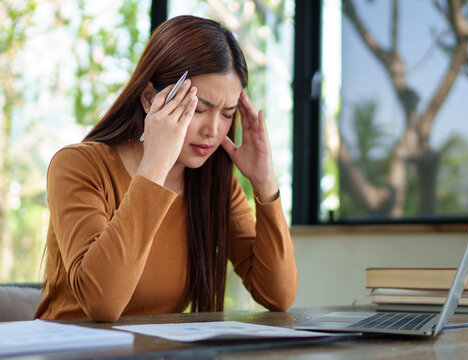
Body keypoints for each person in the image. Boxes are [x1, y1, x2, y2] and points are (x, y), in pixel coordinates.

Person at [34, 15, 297, 322]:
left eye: (227, 113)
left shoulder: (215, 185)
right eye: (198, 109)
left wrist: (264, 183)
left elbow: (278, 295)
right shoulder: (79, 166)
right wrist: (155, 166)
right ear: (150, 98)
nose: (213, 130)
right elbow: (102, 303)